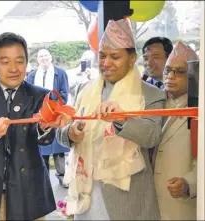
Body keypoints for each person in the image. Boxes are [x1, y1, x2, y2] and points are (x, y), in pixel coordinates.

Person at [56, 18, 166, 220]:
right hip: (87, 195)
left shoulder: (150, 94)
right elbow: (61, 134)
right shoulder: (85, 90)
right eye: (102, 56)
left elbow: (152, 136)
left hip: (128, 200)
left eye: (115, 57)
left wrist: (123, 120)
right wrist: (70, 134)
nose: (106, 63)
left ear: (132, 59)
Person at [0, 32, 67, 220]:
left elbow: (45, 138)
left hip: (29, 186)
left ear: (26, 63)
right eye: (5, 61)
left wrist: (45, 126)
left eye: (19, 61)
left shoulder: (41, 95)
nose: (14, 68)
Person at [153, 41, 198, 220]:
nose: (171, 76)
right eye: (168, 70)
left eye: (180, 72)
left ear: (194, 76)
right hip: (150, 201)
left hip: (182, 202)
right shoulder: (154, 103)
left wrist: (189, 183)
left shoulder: (198, 109)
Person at [26, 49, 70, 187]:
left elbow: (63, 94)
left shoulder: (60, 73)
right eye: (41, 56)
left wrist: (51, 105)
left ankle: (62, 175)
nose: (43, 58)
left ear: (50, 58)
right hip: (39, 116)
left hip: (55, 115)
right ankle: (43, 179)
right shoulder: (32, 76)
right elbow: (28, 95)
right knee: (41, 148)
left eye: (46, 56)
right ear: (37, 60)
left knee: (58, 150)